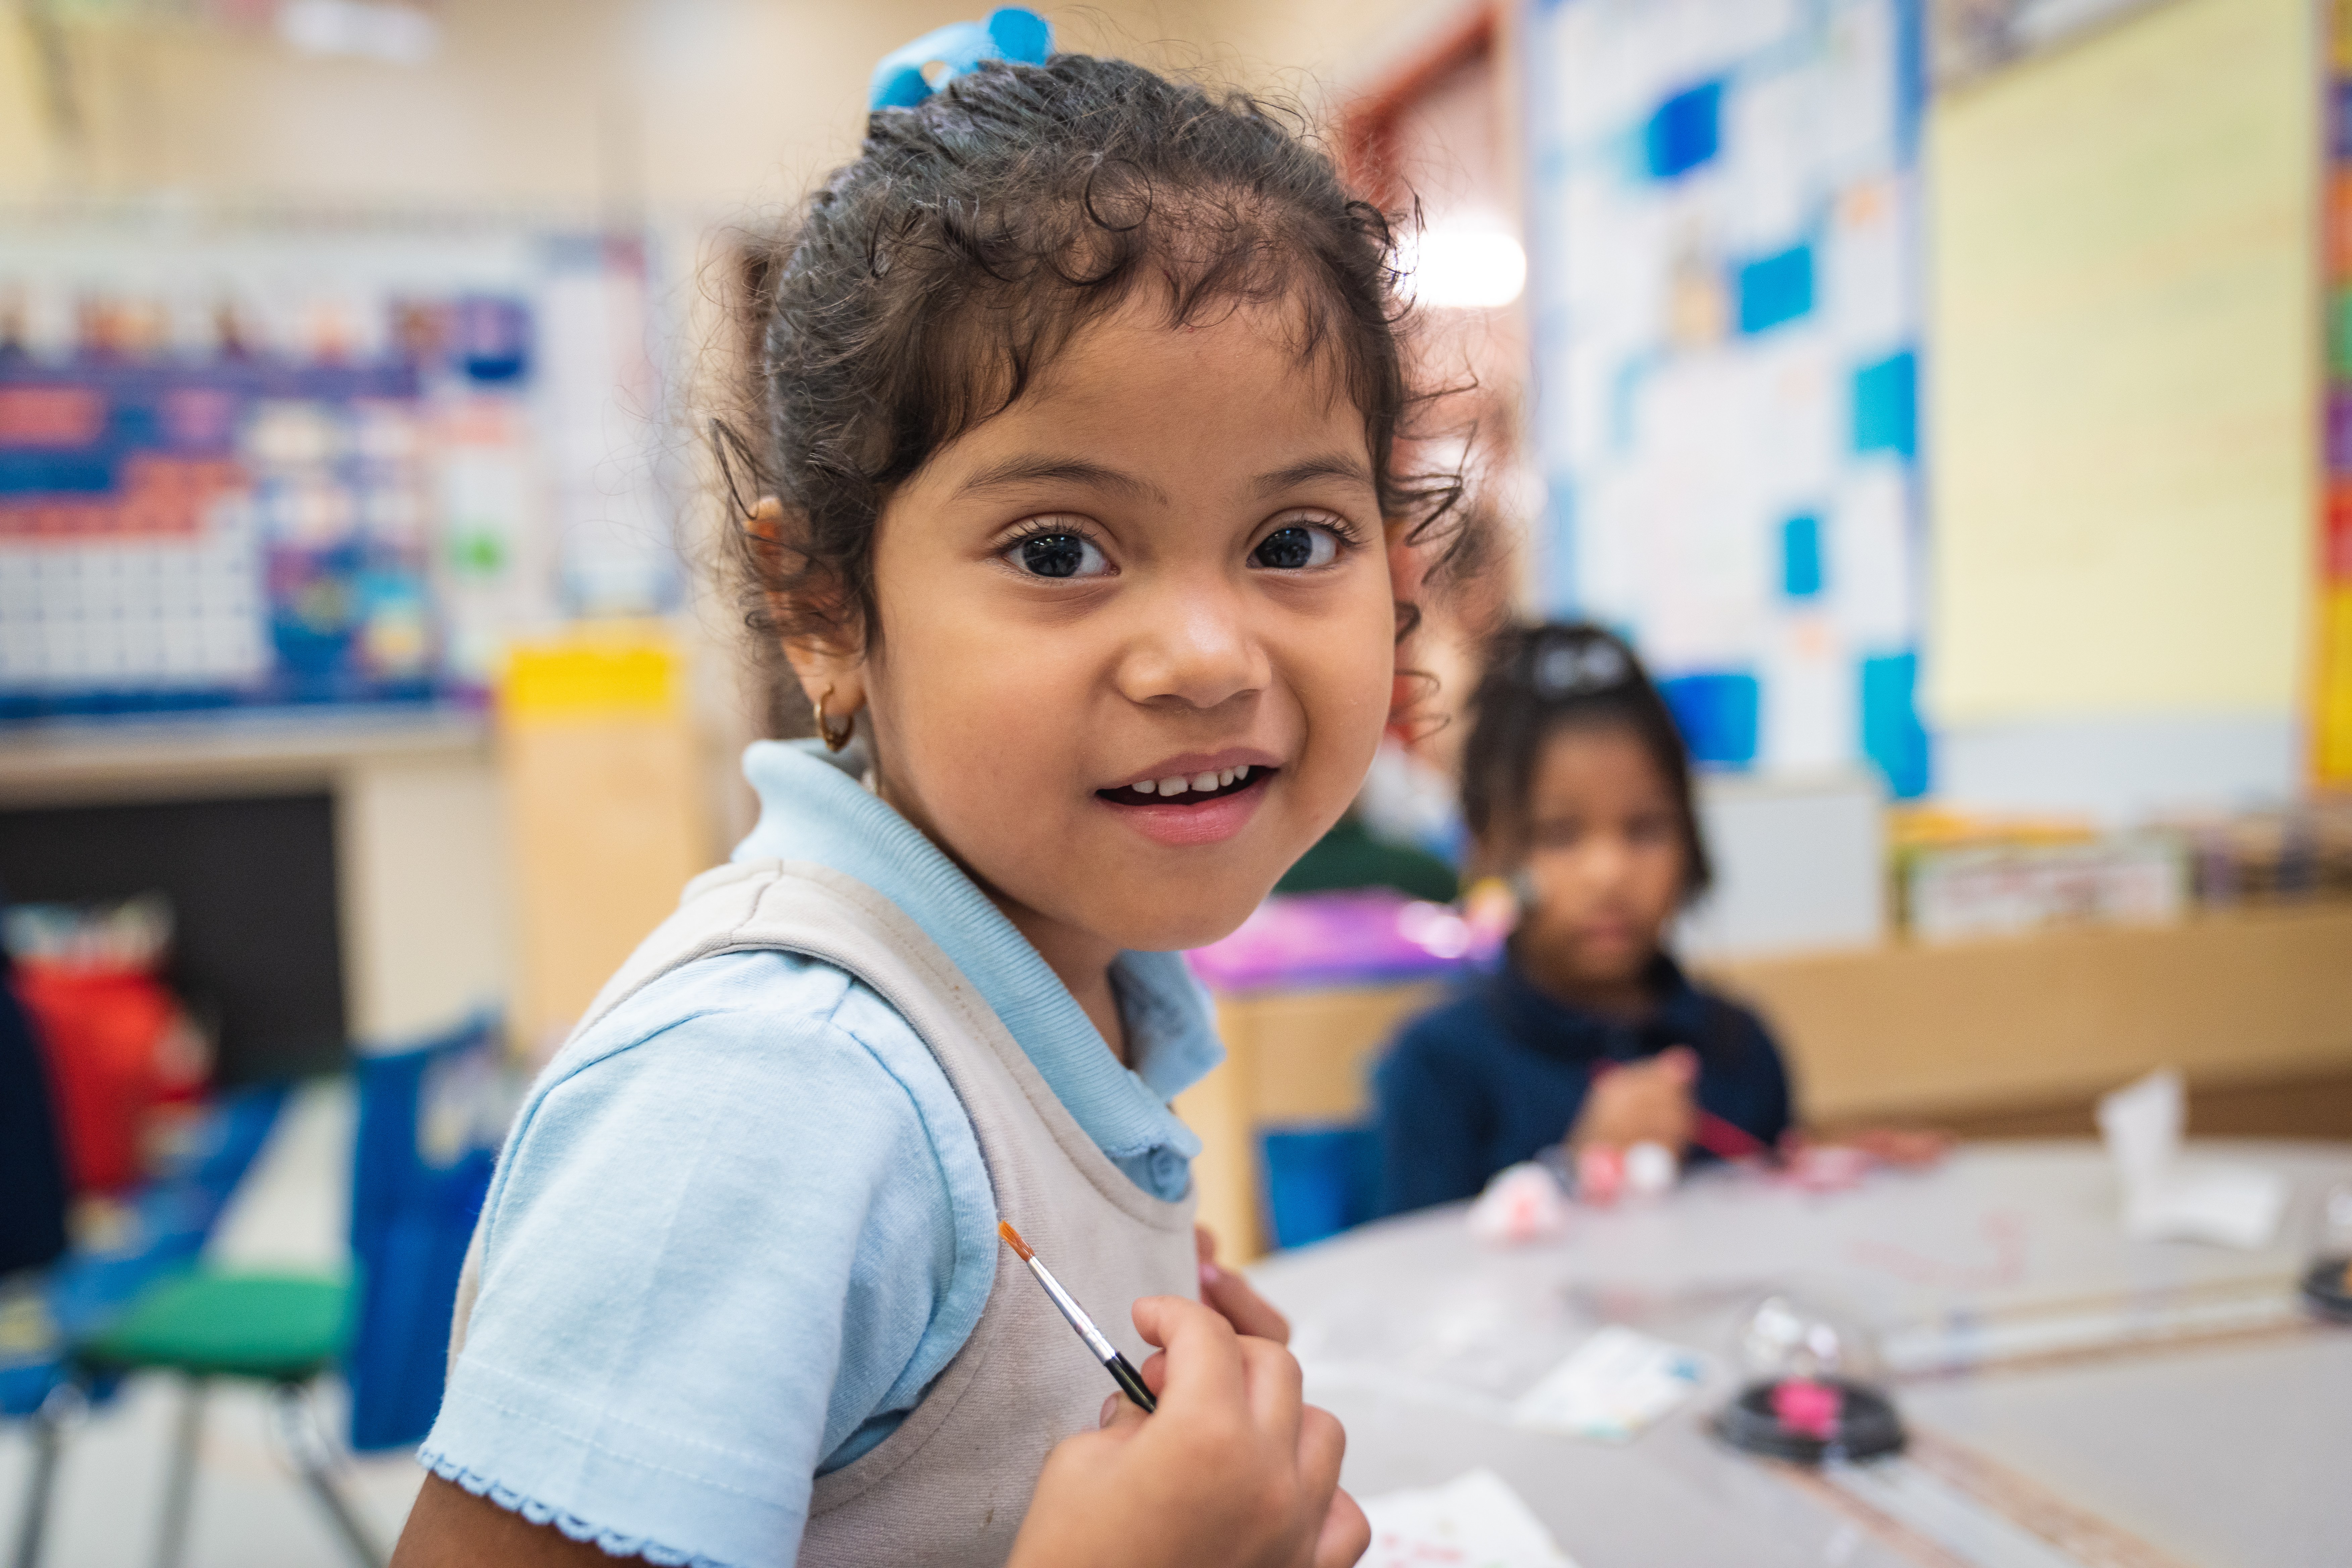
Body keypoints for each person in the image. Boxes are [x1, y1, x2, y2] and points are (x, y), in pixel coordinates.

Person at [392, 35, 1475, 1568]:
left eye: (1295, 539)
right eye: (1057, 549)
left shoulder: (1059, 979)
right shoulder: (773, 1089)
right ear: (826, 607)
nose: (1203, 655)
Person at [1374, 623, 1793, 1216]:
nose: (1608, 873)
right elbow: (1419, 1288)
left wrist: (1862, 1180)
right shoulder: (1437, 1067)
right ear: (1491, 847)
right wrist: (1574, 1171)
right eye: (1560, 835)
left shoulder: (1741, 1047)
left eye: (1646, 828)